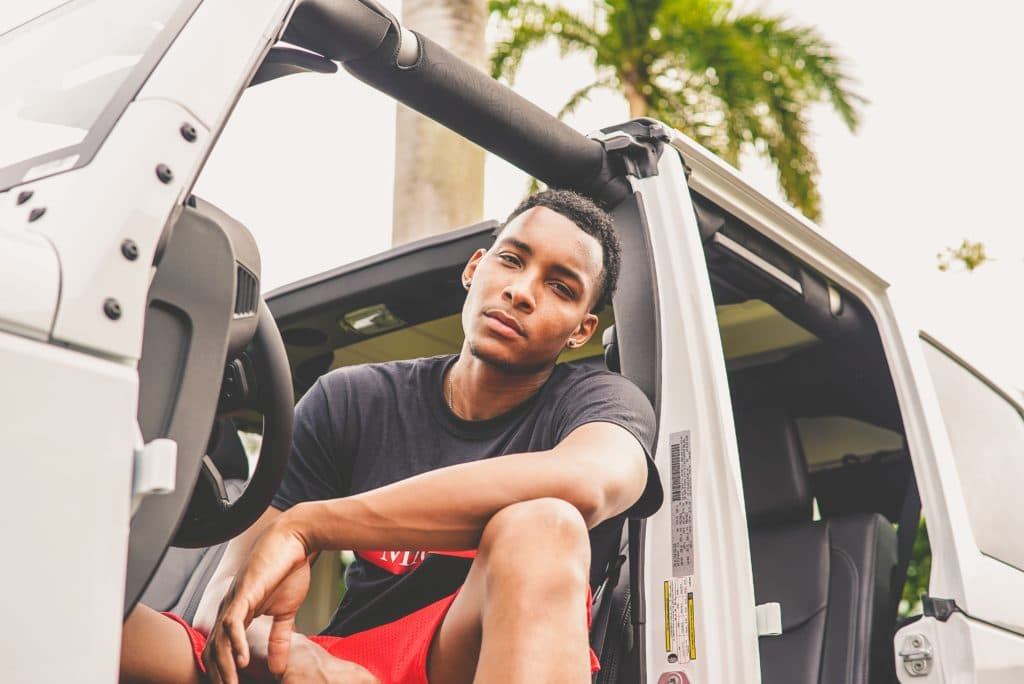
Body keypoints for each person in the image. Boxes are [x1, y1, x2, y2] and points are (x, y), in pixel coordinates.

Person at [120, 188, 662, 684]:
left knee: (546, 523)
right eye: (512, 260)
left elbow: (585, 484)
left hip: (444, 660)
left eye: (560, 287)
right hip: (331, 660)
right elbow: (225, 605)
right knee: (88, 614)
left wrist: (310, 527)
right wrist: (307, 658)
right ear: (476, 268)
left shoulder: (600, 403)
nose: (522, 291)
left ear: (581, 330)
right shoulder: (351, 399)